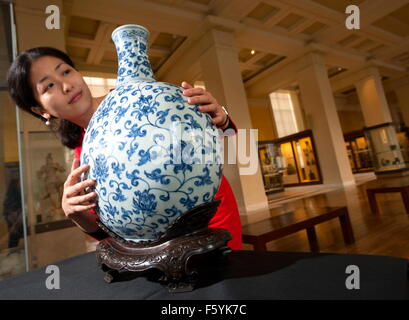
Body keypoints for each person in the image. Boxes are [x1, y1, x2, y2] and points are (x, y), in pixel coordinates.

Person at [7, 47, 242, 250]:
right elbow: (109, 234)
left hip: (208, 213)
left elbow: (213, 146)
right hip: (155, 245)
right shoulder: (81, 151)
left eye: (66, 71)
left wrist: (220, 120)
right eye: (48, 86)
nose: (66, 85)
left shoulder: (140, 99)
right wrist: (75, 213)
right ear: (40, 110)